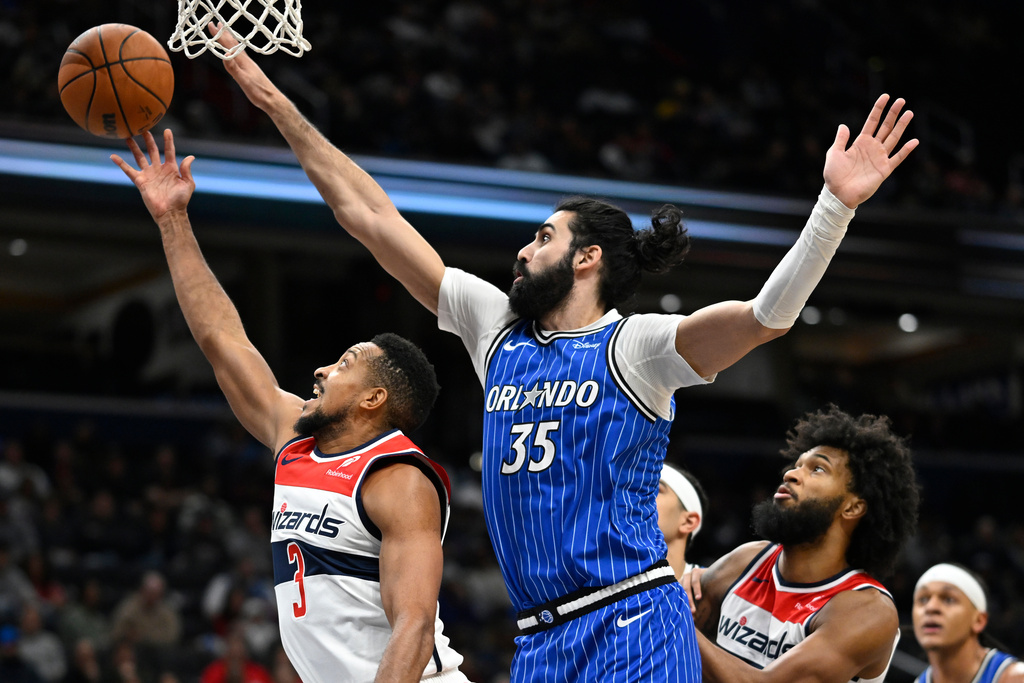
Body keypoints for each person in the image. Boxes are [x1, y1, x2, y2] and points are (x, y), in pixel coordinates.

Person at [210, 25, 917, 681]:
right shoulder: (497, 328)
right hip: (540, 640)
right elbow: (367, 215)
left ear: (589, 257)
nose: (523, 249)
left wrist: (834, 207)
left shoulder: (635, 347)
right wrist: (274, 100)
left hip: (631, 617)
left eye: (543, 237)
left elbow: (767, 316)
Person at [110, 131, 469, 683]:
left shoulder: (397, 478)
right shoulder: (295, 436)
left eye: (346, 363)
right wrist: (171, 220)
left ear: (376, 399)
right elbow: (222, 341)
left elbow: (414, 627)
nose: (324, 369)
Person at [689, 405, 919, 683]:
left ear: (852, 507)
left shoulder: (867, 610)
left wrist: (670, 609)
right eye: (796, 465)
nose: (791, 475)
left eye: (817, 469)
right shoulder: (745, 562)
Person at [912, 563, 1024, 683]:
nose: (931, 607)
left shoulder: (1016, 678)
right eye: (923, 599)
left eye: (948, 599)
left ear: (979, 620)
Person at [657, 464, 707, 580]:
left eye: (656, 489)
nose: (638, 498)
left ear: (688, 522)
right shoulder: (608, 581)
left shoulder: (713, 590)